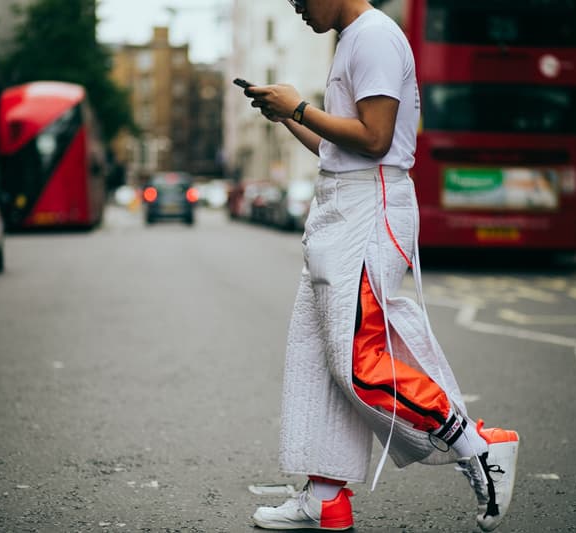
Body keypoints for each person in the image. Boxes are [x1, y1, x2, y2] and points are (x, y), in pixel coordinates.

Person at [243, 0, 519, 531]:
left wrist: (299, 106)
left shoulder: (373, 36)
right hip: (343, 207)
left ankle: (477, 444)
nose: (296, 6)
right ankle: (325, 496)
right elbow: (337, 147)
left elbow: (376, 139)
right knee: (321, 355)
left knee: (357, 360)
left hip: (367, 213)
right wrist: (287, 117)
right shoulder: (352, 38)